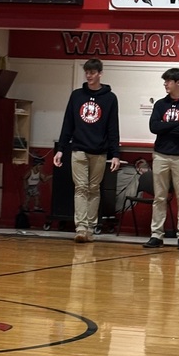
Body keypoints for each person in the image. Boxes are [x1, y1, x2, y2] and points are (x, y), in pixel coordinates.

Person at [53, 58, 121, 242]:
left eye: (92, 72)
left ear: (100, 73)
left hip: (99, 150)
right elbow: (68, 123)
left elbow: (113, 127)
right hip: (79, 149)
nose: (89, 75)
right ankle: (81, 228)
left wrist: (115, 154)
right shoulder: (76, 96)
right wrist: (61, 149)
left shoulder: (110, 98)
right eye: (87, 72)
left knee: (93, 188)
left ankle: (91, 227)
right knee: (81, 188)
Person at [144, 67, 179, 251]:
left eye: (168, 81)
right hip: (160, 155)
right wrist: (176, 123)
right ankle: (156, 235)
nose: (165, 84)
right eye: (165, 81)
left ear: (178, 83)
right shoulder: (160, 104)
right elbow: (153, 127)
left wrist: (165, 126)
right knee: (159, 197)